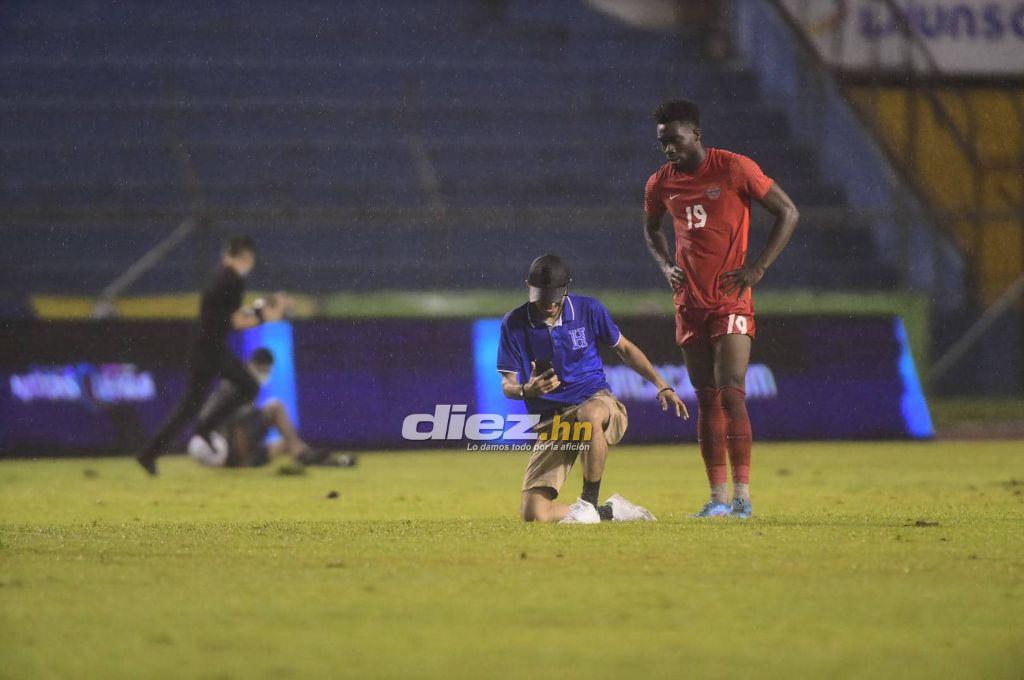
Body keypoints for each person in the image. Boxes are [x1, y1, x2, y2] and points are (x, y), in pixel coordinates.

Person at [642, 99, 799, 518]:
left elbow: (788, 211)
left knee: (731, 391)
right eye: (662, 142)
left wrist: (758, 267)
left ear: (696, 134)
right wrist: (666, 266)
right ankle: (716, 499)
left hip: (731, 299)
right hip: (689, 303)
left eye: (675, 140)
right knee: (707, 399)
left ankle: (742, 497)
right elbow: (651, 229)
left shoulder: (733, 168)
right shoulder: (659, 183)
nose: (669, 149)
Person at [498, 254, 689, 524]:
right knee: (534, 513)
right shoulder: (513, 323)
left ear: (567, 288)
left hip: (596, 399)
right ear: (528, 285)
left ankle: (589, 502)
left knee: (589, 414)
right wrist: (526, 390)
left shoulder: (589, 309)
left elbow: (624, 349)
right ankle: (609, 511)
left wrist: (661, 384)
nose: (549, 303)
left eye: (555, 296)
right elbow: (507, 384)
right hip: (554, 421)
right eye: (542, 296)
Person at [136, 235, 288, 474]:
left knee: (188, 408)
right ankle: (205, 428)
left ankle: (149, 453)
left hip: (205, 347)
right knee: (249, 386)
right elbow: (237, 321)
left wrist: (261, 308)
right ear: (246, 257)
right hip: (211, 350)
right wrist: (263, 315)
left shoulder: (221, 276)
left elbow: (229, 314)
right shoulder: (233, 280)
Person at [188, 348, 355, 469]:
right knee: (275, 408)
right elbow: (232, 423)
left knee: (285, 444)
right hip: (223, 448)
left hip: (221, 450)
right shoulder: (242, 384)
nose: (265, 375)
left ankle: (332, 462)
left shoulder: (238, 382)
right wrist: (243, 460)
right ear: (252, 365)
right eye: (263, 370)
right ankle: (302, 454)